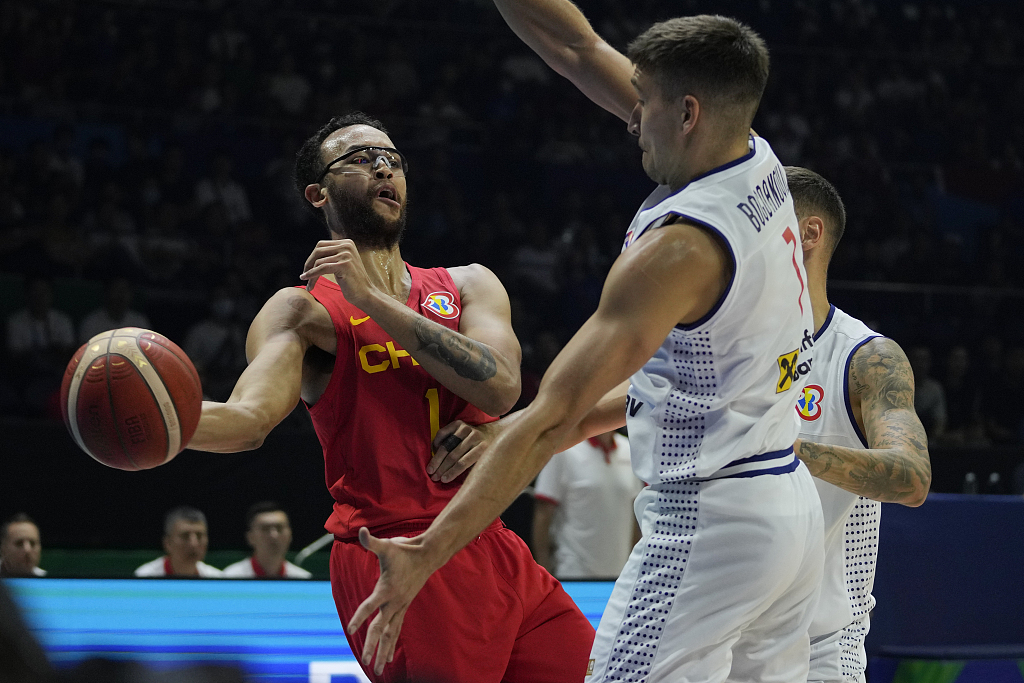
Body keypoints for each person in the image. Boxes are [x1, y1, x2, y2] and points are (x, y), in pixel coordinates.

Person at [351, 11, 825, 682]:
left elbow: (553, 419)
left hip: (711, 522)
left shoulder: (680, 248)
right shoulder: (755, 156)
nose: (633, 121)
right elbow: (578, 48)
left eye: (647, 104)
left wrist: (427, 552)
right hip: (784, 506)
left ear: (687, 112)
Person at [185, 112, 595, 682]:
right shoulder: (302, 312)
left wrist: (373, 301)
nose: (383, 166)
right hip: (396, 553)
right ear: (316, 194)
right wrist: (165, 421)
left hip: (495, 543)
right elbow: (248, 420)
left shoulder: (470, 283)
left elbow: (500, 387)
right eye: (358, 158)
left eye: (394, 159)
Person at [786, 166, 931, 683]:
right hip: (720, 627)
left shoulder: (864, 357)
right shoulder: (721, 343)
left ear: (808, 233)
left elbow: (912, 478)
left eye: (760, 218)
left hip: (820, 648)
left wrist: (785, 449)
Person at [532, 429, 641, 579]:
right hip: (573, 573)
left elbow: (634, 516)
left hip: (620, 575)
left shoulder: (630, 449)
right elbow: (543, 515)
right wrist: (543, 575)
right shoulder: (564, 449)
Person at [222, 502, 311, 579]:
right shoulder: (231, 577)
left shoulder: (303, 579)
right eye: (265, 528)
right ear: (250, 537)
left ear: (290, 535)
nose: (274, 535)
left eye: (279, 528)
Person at [134, 507, 223, 577]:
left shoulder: (217, 578)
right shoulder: (145, 577)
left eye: (199, 536)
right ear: (167, 543)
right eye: (185, 536)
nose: (193, 543)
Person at [79, 277, 151, 343]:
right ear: (107, 293)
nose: (120, 296)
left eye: (124, 291)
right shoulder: (91, 323)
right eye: (116, 290)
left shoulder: (140, 322)